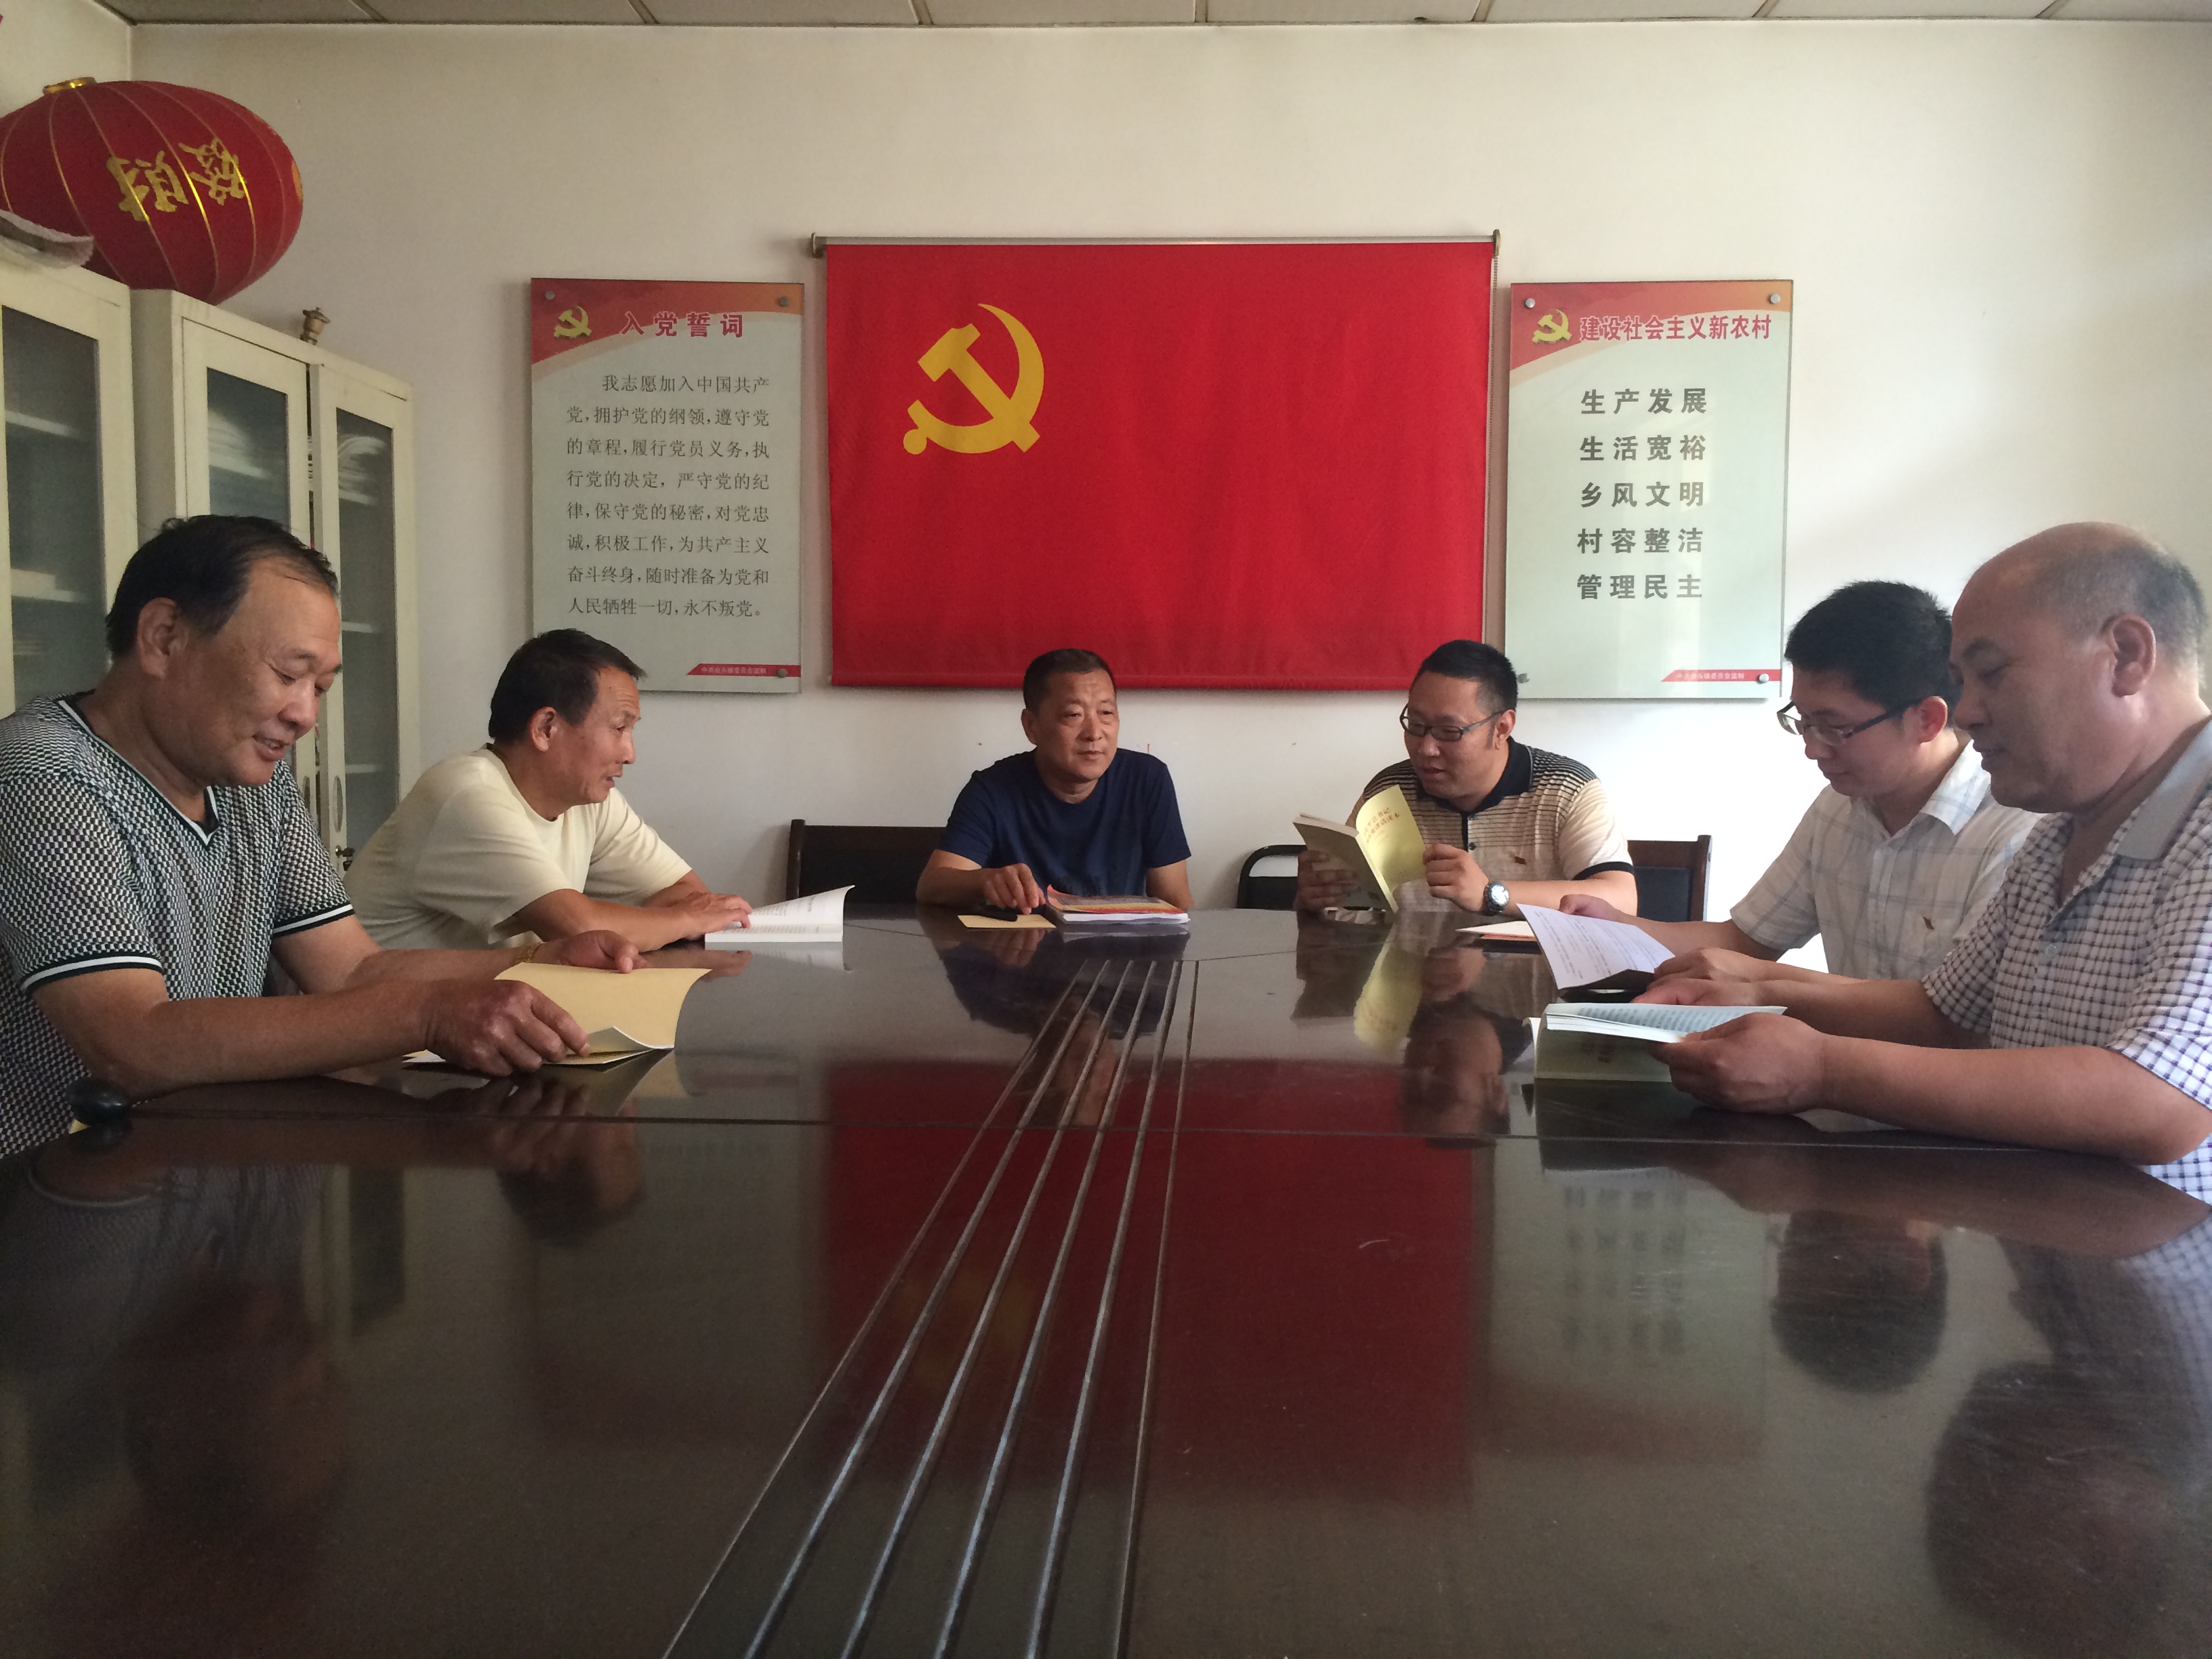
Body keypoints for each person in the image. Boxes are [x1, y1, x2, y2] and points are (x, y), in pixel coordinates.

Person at [0, 516, 640, 1156]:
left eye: (321, 688)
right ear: (164, 637)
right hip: (63, 1182)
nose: (305, 714)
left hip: (207, 1162)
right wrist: (427, 1014)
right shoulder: (45, 776)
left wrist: (537, 962)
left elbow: (352, 968)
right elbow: (132, 1043)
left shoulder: (251, 779)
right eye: (288, 674)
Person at [1646, 524, 2212, 1186]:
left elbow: (2160, 1102)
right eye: (1963, 680)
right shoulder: (2057, 836)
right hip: (2038, 1230)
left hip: (2169, 1246)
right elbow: (1946, 1012)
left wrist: (1822, 1068)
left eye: (1991, 673)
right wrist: (1752, 996)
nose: (1966, 712)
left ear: (2126, 655)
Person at [1561, 581, 2039, 981]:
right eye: (1804, 721)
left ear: (1927, 720)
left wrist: (1760, 986)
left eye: (1834, 727)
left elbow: (1952, 1018)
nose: (1813, 748)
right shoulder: (1838, 808)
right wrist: (1618, 927)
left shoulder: (2012, 831)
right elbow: (1745, 940)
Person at [347, 630, 752, 951]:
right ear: (545, 728)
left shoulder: (589, 800)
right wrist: (676, 921)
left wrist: (661, 920)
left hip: (482, 1012)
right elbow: (581, 930)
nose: (630, 754)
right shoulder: (466, 795)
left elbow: (686, 894)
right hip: (381, 1024)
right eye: (619, 728)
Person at [1296, 638, 1637, 918]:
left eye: (1450, 731)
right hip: (1411, 978)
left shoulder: (1566, 789)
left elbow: (1621, 901)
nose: (1426, 748)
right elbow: (1351, 919)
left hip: (1534, 979)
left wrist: (1491, 894)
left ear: (1501, 728)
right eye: (1416, 725)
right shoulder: (1390, 792)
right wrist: (1315, 901)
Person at [917, 647, 1193, 913]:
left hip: (1119, 943)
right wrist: (986, 880)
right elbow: (932, 886)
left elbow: (1175, 900)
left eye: (1106, 713)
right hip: (1024, 943)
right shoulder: (992, 790)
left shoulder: (1147, 780)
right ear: (1032, 726)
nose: (1094, 732)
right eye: (1073, 715)